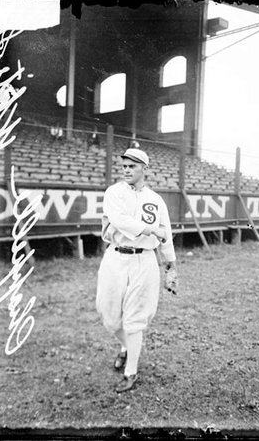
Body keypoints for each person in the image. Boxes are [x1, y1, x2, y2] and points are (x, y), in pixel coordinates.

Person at [96, 147, 177, 393]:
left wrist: (171, 266)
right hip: (115, 256)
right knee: (108, 315)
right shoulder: (114, 192)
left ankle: (131, 371)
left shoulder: (156, 199)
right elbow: (119, 220)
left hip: (144, 260)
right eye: (125, 166)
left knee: (135, 320)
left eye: (133, 166)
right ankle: (126, 347)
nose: (127, 170)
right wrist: (150, 230)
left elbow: (167, 233)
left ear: (145, 168)